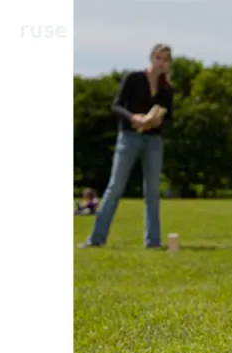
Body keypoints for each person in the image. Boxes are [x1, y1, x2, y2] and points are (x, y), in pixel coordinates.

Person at [77, 43, 174, 249]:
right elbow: (116, 106)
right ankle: (96, 238)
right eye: (158, 57)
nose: (161, 63)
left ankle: (153, 242)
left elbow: (170, 118)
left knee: (153, 191)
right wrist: (134, 118)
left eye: (165, 59)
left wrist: (157, 121)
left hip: (153, 141)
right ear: (151, 58)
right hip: (129, 137)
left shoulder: (167, 89)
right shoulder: (133, 78)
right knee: (115, 187)